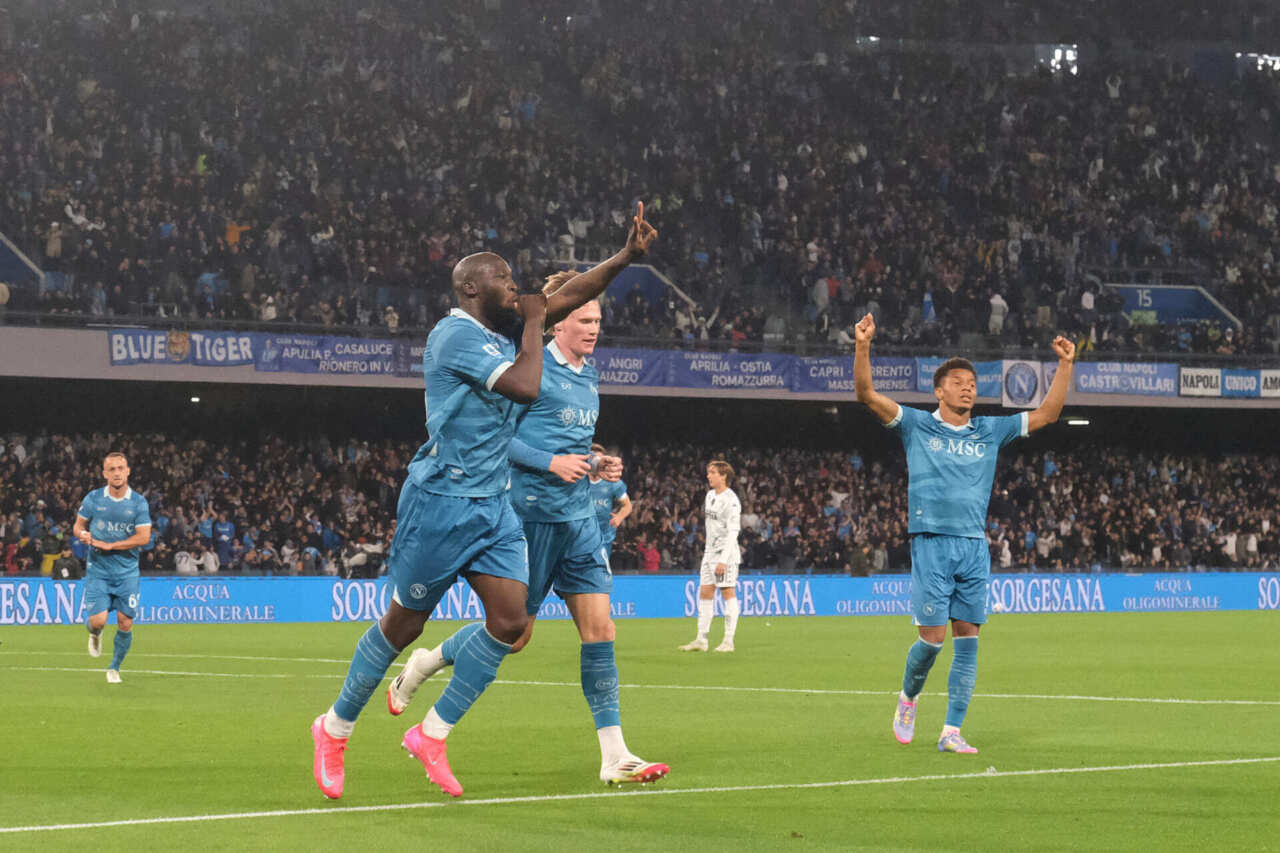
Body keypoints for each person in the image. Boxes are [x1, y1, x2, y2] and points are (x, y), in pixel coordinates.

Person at [311, 204, 657, 800]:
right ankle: (335, 727)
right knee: (404, 624)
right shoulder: (454, 336)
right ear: (472, 288)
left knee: (511, 622)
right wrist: (535, 321)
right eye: (504, 279)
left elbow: (568, 296)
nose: (515, 288)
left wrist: (625, 257)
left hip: (495, 506)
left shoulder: (501, 333)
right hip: (442, 502)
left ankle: (433, 734)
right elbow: (525, 385)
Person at [387, 279, 667, 785]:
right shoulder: (532, 368)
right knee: (514, 636)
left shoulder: (590, 374)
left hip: (579, 521)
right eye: (584, 320)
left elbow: (572, 444)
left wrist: (597, 464)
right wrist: (549, 462)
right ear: (558, 324)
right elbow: (500, 438)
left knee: (601, 630)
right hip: (529, 517)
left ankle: (615, 755)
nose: (594, 329)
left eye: (598, 322)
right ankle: (428, 661)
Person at [852, 312, 1075, 754]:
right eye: (957, 382)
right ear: (939, 391)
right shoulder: (917, 425)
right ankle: (908, 697)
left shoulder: (990, 430)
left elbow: (1048, 414)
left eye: (971, 382)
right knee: (932, 641)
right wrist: (862, 346)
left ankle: (951, 731)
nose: (967, 388)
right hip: (932, 542)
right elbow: (866, 394)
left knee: (969, 640)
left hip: (973, 546)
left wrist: (1066, 364)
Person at [73, 452, 153, 684]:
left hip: (127, 572)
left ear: (128, 471)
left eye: (121, 468)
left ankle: (114, 668)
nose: (117, 473)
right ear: (105, 474)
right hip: (98, 570)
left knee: (125, 621)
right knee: (98, 621)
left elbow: (144, 537)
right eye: (112, 469)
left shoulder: (138, 502)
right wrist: (83, 534)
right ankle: (95, 633)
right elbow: (78, 526)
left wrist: (111, 545)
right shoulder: (94, 498)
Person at [680, 460, 742, 653]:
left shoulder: (731, 501)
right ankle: (701, 639)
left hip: (725, 554)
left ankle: (728, 641)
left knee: (728, 592)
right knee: (705, 592)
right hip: (709, 553)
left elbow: (733, 532)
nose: (708, 475)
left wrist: (723, 560)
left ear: (723, 476)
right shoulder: (709, 495)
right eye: (708, 472)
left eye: (712, 472)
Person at [588, 442, 632, 559]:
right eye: (594, 460)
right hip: (581, 537)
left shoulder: (613, 482)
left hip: (604, 537)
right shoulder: (578, 481)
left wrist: (619, 517)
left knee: (600, 569)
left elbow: (627, 505)